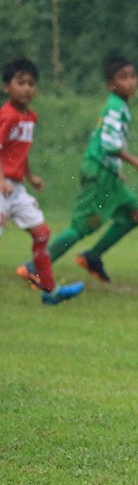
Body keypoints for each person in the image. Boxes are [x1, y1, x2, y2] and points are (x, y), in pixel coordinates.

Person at [21, 56, 138, 284]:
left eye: (133, 76)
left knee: (135, 213)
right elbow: (109, 143)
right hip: (99, 173)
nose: (131, 81)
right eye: (123, 77)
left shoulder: (119, 106)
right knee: (80, 227)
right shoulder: (115, 107)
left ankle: (92, 257)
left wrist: (116, 169)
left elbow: (101, 139)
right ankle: (34, 267)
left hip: (108, 173)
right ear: (110, 85)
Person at [3, 58, 84, 305]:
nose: (27, 88)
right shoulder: (7, 116)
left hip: (15, 189)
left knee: (41, 233)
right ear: (6, 87)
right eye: (20, 83)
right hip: (2, 186)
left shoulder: (29, 117)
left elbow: (18, 152)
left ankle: (50, 290)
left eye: (31, 83)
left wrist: (30, 177)